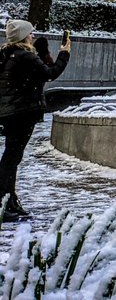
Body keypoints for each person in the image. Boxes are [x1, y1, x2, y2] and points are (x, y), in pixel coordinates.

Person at [0, 21, 70, 221]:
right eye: (30, 33)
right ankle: (5, 203)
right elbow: (50, 73)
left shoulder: (7, 54)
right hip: (22, 112)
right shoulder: (25, 56)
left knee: (11, 156)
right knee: (11, 158)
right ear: (23, 36)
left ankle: (9, 200)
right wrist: (65, 53)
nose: (32, 36)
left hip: (10, 112)